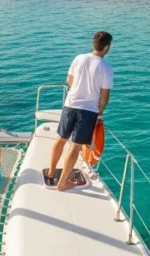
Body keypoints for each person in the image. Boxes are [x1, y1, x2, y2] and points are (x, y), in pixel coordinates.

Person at [47, 31, 113, 192]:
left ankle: (50, 173)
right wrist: (100, 112)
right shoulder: (106, 68)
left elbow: (69, 80)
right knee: (75, 147)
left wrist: (79, 90)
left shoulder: (79, 58)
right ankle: (62, 183)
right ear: (106, 47)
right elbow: (104, 96)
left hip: (70, 104)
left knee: (61, 139)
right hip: (88, 110)